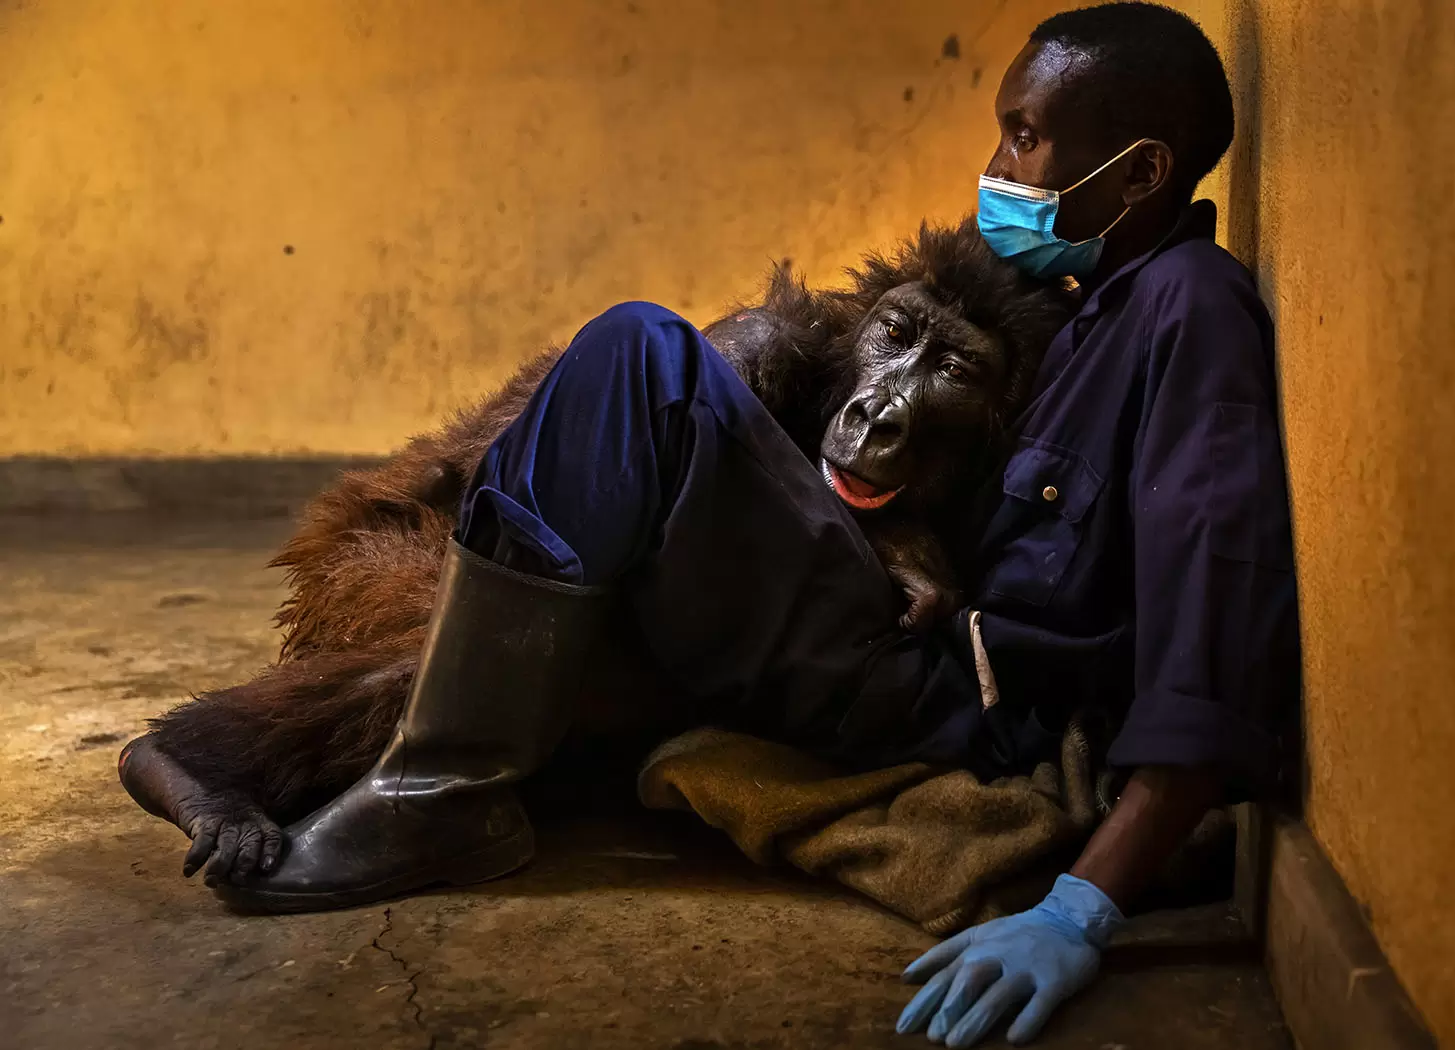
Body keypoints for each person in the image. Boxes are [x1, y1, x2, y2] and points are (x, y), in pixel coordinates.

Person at [217, 3, 1299, 1045]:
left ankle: (440, 790)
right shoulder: (1074, 302)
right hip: (893, 627)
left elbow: (1210, 625)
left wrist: (1080, 909)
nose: (999, 169)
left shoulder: (1188, 308)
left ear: (1142, 172)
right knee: (653, 371)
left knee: (641, 357)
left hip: (942, 698)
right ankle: (429, 758)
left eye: (1025, 137)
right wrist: (894, 539)